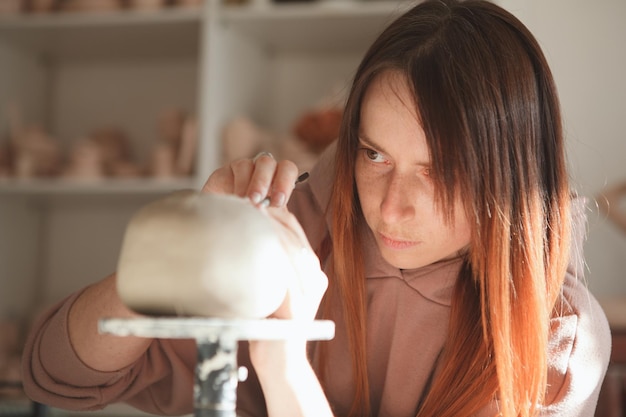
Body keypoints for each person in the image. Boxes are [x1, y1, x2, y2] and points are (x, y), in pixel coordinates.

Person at [21, 1, 611, 416]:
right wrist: (174, 254)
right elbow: (57, 375)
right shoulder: (300, 231)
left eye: (443, 170)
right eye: (375, 155)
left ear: (508, 175)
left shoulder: (555, 327)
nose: (392, 207)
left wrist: (284, 360)